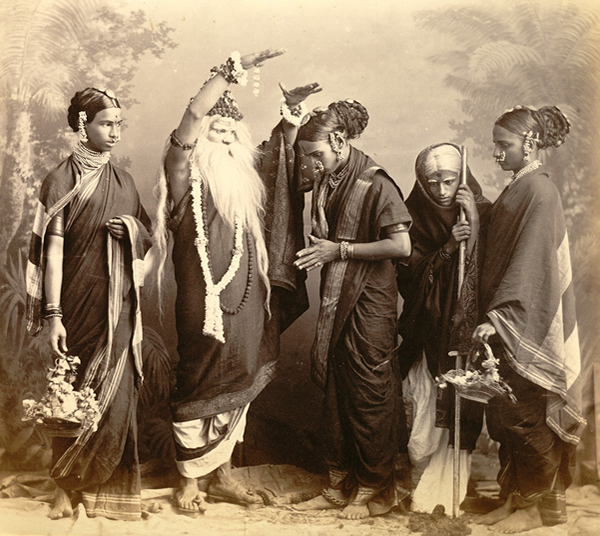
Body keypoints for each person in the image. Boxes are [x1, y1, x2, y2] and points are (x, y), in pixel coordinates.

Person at [154, 49, 319, 515]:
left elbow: (281, 161)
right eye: (216, 131)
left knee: (243, 370)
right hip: (202, 301)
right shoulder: (183, 177)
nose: (224, 138)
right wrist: (226, 75)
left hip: (249, 297)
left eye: (231, 132)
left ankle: (222, 475)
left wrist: (290, 121)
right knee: (198, 377)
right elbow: (189, 121)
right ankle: (189, 479)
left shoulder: (249, 179)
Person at [25, 88, 153, 520]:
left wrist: (131, 230)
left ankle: (106, 490)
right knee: (70, 390)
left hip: (116, 304)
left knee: (114, 390)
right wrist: (53, 315)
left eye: (120, 123)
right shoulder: (61, 179)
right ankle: (65, 485)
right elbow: (52, 251)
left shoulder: (126, 181)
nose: (115, 132)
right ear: (83, 123)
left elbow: (148, 236)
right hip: (75, 300)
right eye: (106, 123)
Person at [292, 100, 412, 519]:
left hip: (370, 306)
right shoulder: (331, 176)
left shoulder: (375, 183)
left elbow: (401, 246)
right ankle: (340, 483)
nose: (311, 163)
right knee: (338, 394)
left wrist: (338, 250)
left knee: (368, 395)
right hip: (337, 300)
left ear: (339, 141)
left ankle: (374, 486)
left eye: (316, 154)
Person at [472, 105, 585, 533]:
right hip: (510, 322)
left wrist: (499, 317)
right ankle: (513, 500)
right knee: (506, 415)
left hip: (524, 321)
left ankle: (540, 509)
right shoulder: (520, 187)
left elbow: (531, 264)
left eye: (505, 145)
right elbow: (503, 237)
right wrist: (476, 208)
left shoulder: (539, 191)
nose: (497, 153)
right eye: (496, 145)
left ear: (530, 144)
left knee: (528, 417)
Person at [397, 143, 490, 513]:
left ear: (461, 180)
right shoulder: (412, 216)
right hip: (428, 332)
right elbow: (409, 275)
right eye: (432, 183)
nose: (440, 191)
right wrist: (450, 246)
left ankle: (443, 497)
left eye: (449, 181)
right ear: (422, 183)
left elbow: (494, 268)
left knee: (459, 411)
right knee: (422, 421)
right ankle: (417, 485)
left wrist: (476, 225)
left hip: (465, 332)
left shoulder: (483, 210)